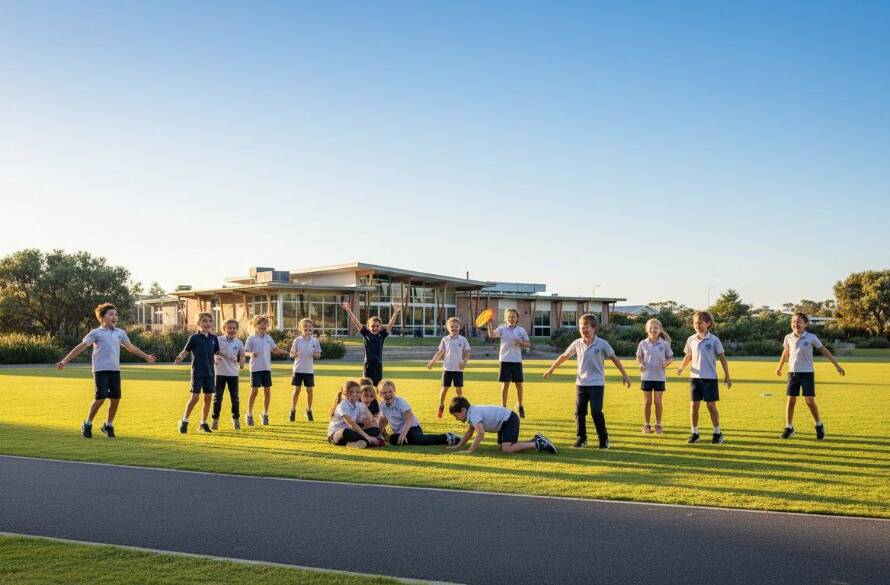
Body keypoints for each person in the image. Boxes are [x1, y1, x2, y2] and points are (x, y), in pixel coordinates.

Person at [56, 303, 156, 438]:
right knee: (100, 398)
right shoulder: (96, 333)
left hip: (115, 370)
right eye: (111, 314)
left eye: (116, 314)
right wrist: (65, 360)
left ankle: (108, 425)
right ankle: (87, 424)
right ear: (101, 318)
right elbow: (81, 346)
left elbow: (131, 347)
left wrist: (146, 356)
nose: (114, 317)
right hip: (100, 370)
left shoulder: (120, 333)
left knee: (115, 399)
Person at [543, 313, 631, 449]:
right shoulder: (577, 343)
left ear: (594, 328)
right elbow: (564, 356)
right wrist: (551, 369)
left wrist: (625, 374)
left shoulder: (602, 344)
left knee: (596, 412)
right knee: (579, 413)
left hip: (596, 384)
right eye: (581, 328)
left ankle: (603, 439)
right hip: (581, 384)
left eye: (586, 327)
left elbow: (614, 358)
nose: (584, 330)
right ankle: (581, 439)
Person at [775, 312, 845, 440]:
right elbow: (786, 352)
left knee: (810, 401)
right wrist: (779, 367)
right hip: (792, 373)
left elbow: (824, 350)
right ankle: (789, 428)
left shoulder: (811, 337)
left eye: (799, 321)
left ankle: (819, 425)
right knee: (790, 402)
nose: (796, 324)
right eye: (793, 321)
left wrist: (837, 365)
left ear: (805, 324)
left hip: (807, 373)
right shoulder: (788, 337)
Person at [676, 311, 732, 444]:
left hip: (710, 379)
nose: (698, 326)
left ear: (708, 324)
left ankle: (717, 433)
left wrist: (727, 376)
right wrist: (681, 368)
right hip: (695, 378)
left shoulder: (714, 340)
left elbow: (722, 358)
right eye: (695, 323)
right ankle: (695, 433)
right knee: (694, 406)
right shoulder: (691, 339)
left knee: (711, 406)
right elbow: (688, 356)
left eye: (700, 323)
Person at [447, 396, 556, 455]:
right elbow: (470, 432)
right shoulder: (472, 413)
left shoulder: (473, 414)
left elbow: (480, 433)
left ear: (463, 410)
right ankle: (534, 440)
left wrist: (470, 450)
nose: (456, 419)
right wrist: (459, 446)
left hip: (509, 420)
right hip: (505, 422)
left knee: (507, 449)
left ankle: (538, 443)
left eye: (456, 416)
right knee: (501, 447)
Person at [175, 312, 221, 433]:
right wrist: (180, 357)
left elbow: (216, 353)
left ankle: (203, 423)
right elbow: (186, 351)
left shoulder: (214, 338)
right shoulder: (194, 338)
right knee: (195, 398)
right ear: (198, 323)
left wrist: (217, 359)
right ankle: (184, 421)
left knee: (208, 398)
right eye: (204, 321)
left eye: (210, 321)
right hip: (197, 373)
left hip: (210, 373)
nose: (207, 323)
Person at [378, 379, 460, 446]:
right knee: (392, 439)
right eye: (384, 393)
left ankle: (447, 437)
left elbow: (409, 418)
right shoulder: (382, 405)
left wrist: (403, 434)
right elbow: (384, 420)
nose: (388, 394)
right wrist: (381, 433)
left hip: (412, 427)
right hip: (399, 432)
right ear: (380, 394)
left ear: (394, 391)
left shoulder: (400, 402)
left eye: (390, 392)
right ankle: (409, 439)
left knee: (419, 440)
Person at [342, 300, 401, 386]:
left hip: (378, 365)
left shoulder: (382, 334)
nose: (375, 328)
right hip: (368, 365)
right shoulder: (366, 333)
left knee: (378, 387)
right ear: (368, 327)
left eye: (377, 326)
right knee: (365, 387)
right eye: (372, 326)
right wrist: (349, 310)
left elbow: (390, 324)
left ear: (380, 327)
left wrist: (395, 312)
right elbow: (356, 322)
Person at [244, 315, 289, 426]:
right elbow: (244, 352)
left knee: (267, 391)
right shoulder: (251, 338)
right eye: (261, 323)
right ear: (255, 325)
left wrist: (287, 353)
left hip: (266, 369)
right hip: (255, 369)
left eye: (265, 323)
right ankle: (249, 414)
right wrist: (251, 354)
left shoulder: (268, 338)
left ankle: (265, 414)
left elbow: (275, 349)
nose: (264, 325)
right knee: (254, 391)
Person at [486, 308, 530, 417]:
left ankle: (520, 406)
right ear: (506, 318)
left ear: (517, 318)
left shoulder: (521, 330)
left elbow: (528, 344)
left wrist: (521, 342)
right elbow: (491, 335)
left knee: (519, 385)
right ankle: (503, 407)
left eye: (513, 316)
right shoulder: (502, 329)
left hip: (516, 361)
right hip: (504, 360)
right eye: (509, 316)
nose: (511, 318)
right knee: (505, 385)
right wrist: (489, 323)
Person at [426, 317, 471, 418]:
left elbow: (467, 353)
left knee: (459, 390)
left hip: (458, 370)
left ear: (460, 327)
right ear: (448, 328)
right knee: (444, 389)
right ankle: (441, 406)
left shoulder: (463, 340)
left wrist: (464, 362)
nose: (454, 328)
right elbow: (440, 353)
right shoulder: (445, 339)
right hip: (447, 369)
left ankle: (459, 409)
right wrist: (432, 362)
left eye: (456, 326)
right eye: (452, 327)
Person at [635, 318, 674, 434]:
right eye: (651, 328)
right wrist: (640, 364)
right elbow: (638, 357)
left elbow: (671, 357)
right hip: (646, 377)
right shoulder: (643, 343)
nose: (653, 330)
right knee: (647, 402)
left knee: (658, 402)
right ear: (647, 330)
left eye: (656, 327)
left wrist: (667, 363)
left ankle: (658, 425)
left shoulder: (665, 343)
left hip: (659, 377)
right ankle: (646, 425)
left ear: (660, 329)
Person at [327, 380, 383, 448]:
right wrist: (367, 437)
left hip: (352, 431)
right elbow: (351, 423)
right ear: (345, 393)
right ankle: (370, 441)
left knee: (375, 430)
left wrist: (373, 421)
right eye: (351, 392)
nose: (354, 394)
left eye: (357, 392)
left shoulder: (358, 405)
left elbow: (367, 421)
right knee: (346, 432)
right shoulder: (343, 405)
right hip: (337, 434)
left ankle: (356, 443)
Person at [213, 319, 244, 430]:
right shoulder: (218, 340)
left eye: (234, 328)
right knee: (218, 398)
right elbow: (212, 351)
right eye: (229, 328)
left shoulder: (239, 342)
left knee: (235, 398)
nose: (232, 330)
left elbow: (242, 355)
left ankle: (235, 420)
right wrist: (215, 359)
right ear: (224, 329)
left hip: (233, 374)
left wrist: (242, 362)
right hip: (219, 373)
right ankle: (215, 420)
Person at [289, 318, 322, 422]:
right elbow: (291, 354)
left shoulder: (315, 341)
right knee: (297, 390)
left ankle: (308, 411)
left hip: (309, 370)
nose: (307, 329)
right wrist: (294, 355)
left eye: (309, 328)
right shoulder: (297, 340)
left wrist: (317, 355)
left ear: (312, 329)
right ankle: (293, 410)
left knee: (309, 391)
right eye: (305, 327)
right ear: (300, 328)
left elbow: (318, 354)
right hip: (298, 369)